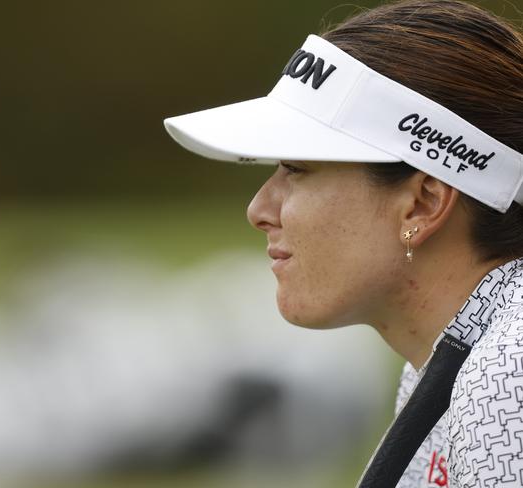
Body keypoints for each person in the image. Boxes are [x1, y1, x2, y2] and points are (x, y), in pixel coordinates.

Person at [162, 0, 523, 486]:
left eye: (296, 169)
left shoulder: (507, 377)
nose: (259, 210)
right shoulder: (466, 352)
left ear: (422, 203)